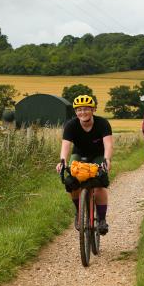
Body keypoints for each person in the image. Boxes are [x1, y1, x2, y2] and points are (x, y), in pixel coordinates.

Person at [56, 95, 113, 235]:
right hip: (79, 155)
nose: (83, 112)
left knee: (99, 183)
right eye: (79, 110)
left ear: (93, 109)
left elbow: (108, 144)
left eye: (86, 109)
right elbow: (66, 145)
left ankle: (101, 219)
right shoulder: (71, 125)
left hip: (98, 155)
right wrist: (62, 161)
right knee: (72, 182)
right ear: (76, 112)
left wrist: (107, 160)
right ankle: (79, 212)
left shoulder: (102, 123)